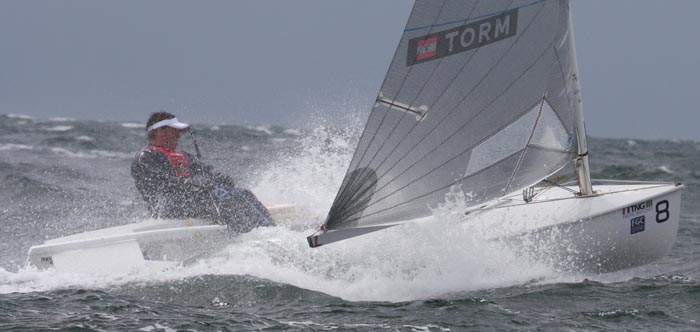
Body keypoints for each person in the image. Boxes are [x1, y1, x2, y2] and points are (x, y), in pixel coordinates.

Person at [131, 111, 272, 234]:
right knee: (222, 198)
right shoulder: (146, 157)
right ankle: (245, 237)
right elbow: (163, 183)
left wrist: (219, 179)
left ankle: (270, 231)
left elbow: (207, 172)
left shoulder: (183, 155)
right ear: (160, 131)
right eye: (175, 131)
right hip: (169, 207)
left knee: (242, 193)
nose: (178, 136)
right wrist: (198, 183)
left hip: (194, 200)